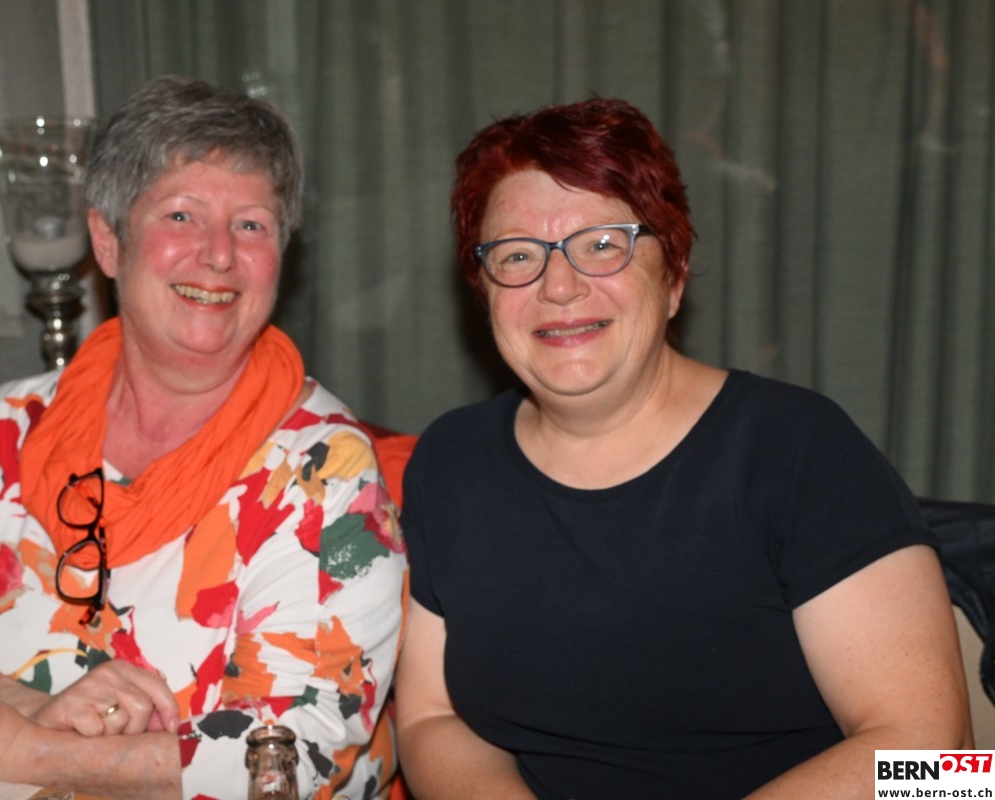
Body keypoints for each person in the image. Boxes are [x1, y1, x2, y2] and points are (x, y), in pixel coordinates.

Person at [0, 76, 408, 800]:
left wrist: (29, 749)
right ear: (108, 242)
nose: (218, 255)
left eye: (251, 225)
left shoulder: (323, 471)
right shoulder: (13, 424)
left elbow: (299, 754)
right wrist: (31, 707)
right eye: (181, 215)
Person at [394, 95, 971, 799]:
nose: (560, 286)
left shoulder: (799, 450)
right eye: (517, 256)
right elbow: (431, 717)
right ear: (483, 292)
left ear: (673, 273)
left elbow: (940, 759)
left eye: (602, 244)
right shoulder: (452, 461)